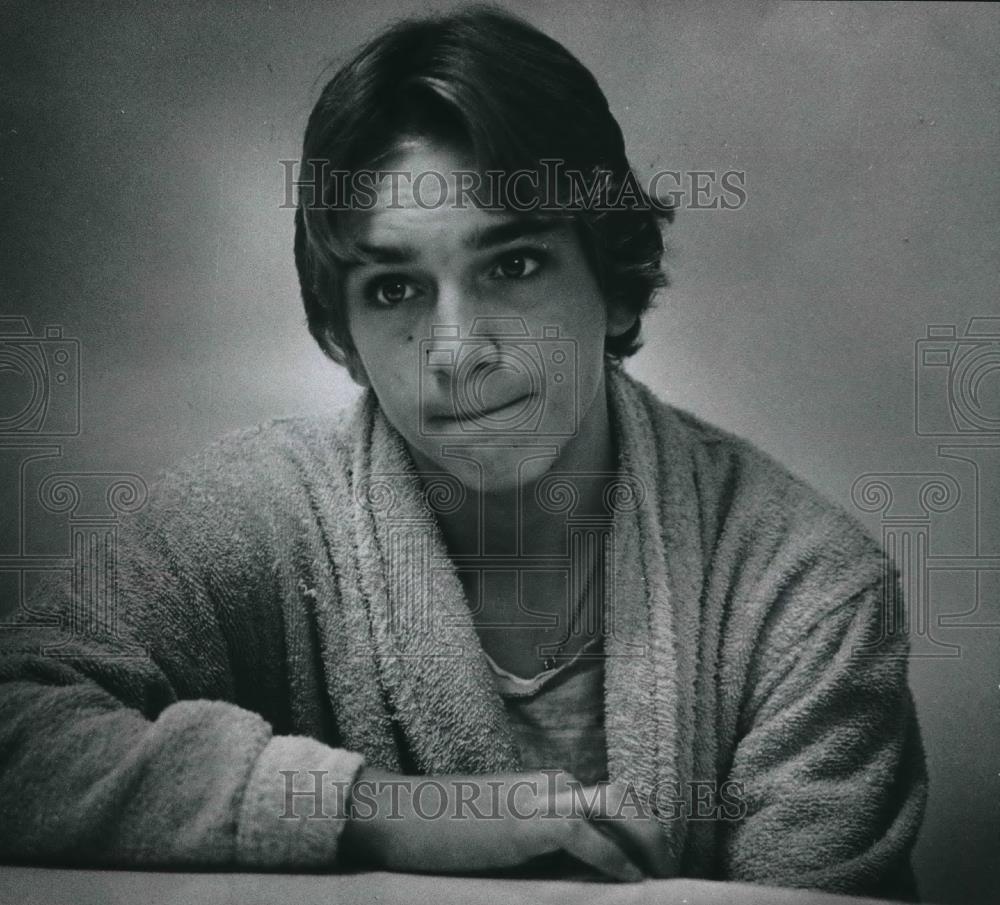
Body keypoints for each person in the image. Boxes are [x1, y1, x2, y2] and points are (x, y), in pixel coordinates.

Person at [0, 4, 927, 897]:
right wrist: (372, 809)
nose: (458, 351)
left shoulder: (807, 593)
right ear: (343, 333)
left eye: (512, 265)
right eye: (396, 288)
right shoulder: (253, 517)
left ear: (612, 282)